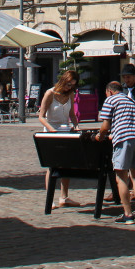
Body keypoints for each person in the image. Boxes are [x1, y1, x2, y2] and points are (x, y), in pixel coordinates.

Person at [96, 80, 135, 224]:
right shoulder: (131, 101)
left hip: (125, 138)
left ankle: (128, 214)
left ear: (110, 92)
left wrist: (100, 135)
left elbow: (105, 125)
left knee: (121, 176)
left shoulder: (111, 100)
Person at [38, 69, 81, 209]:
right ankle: (49, 198)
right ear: (63, 81)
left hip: (65, 130)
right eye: (68, 84)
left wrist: (76, 126)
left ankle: (64, 196)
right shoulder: (50, 93)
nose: (69, 88)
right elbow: (41, 116)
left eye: (72, 85)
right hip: (52, 130)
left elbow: (72, 114)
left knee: (66, 164)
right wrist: (51, 129)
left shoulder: (70, 94)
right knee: (52, 165)